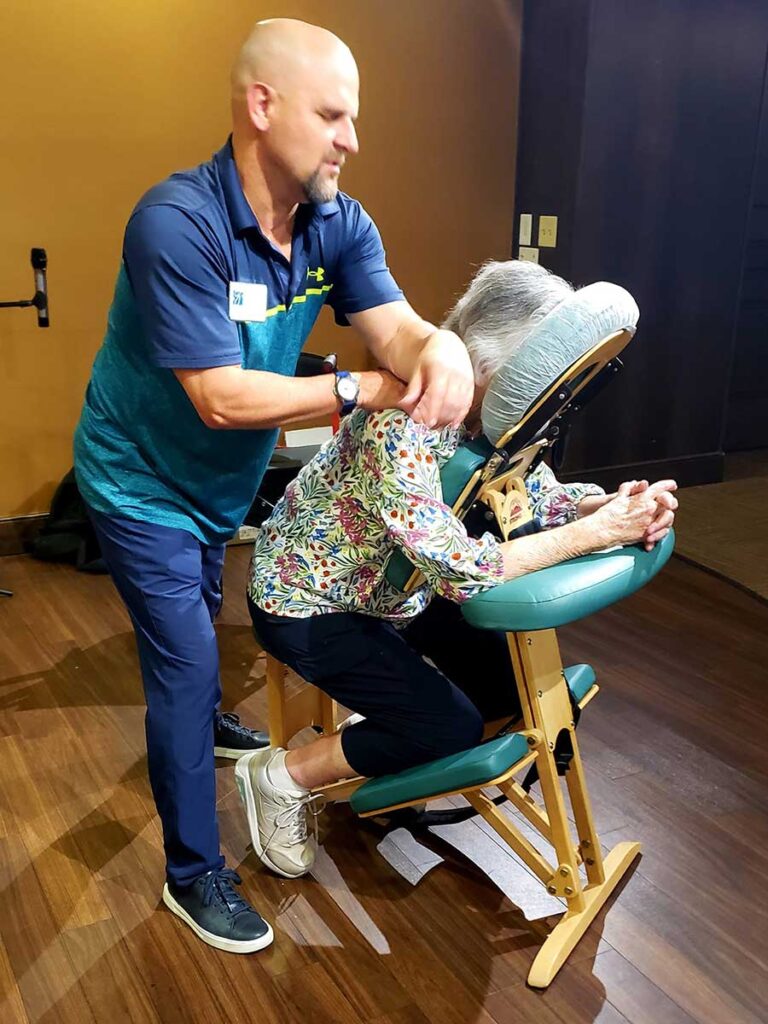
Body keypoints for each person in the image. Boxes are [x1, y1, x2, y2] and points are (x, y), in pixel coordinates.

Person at [73, 18, 478, 954]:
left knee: (204, 613)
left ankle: (210, 714)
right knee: (181, 660)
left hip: (218, 484)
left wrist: (436, 346)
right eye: (334, 115)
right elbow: (218, 397)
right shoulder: (175, 223)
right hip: (138, 480)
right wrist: (361, 390)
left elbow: (396, 324)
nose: (352, 138)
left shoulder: (338, 220)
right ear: (263, 106)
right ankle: (193, 873)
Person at [237, 260, 679, 880]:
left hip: (398, 589)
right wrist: (597, 535)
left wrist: (603, 505)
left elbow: (532, 493)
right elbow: (460, 571)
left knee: (508, 695)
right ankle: (281, 776)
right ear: (490, 358)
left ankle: (390, 721)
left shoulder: (499, 417)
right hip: (310, 601)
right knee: (450, 725)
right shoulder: (402, 422)